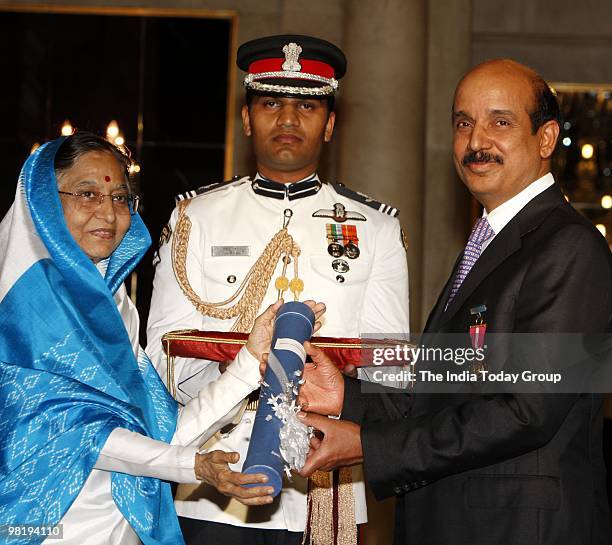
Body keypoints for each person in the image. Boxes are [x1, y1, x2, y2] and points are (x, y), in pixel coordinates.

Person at [296, 59, 612, 545]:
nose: (476, 141)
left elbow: (526, 409)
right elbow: (447, 384)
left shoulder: (569, 246)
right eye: (463, 123)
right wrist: (347, 396)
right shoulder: (489, 241)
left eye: (499, 122)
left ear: (545, 139)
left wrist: (370, 445)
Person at [146, 34, 410, 544]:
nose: (287, 120)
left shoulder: (375, 228)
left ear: (330, 123)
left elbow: (390, 373)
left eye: (307, 106)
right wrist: (247, 374)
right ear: (246, 118)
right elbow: (164, 359)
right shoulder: (195, 219)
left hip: (323, 481)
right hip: (216, 481)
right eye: (270, 103)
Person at [0, 132, 324, 545]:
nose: (108, 211)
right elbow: (78, 435)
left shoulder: (116, 306)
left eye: (120, 198)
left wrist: (248, 361)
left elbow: (159, 433)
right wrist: (193, 466)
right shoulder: (24, 303)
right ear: (45, 201)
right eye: (87, 193)